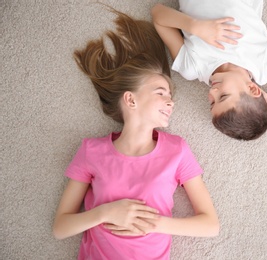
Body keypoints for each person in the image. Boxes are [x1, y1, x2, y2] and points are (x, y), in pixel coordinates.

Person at [52, 8, 219, 260]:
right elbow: (60, 228)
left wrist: (154, 223)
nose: (171, 102)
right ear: (130, 99)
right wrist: (106, 212)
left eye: (170, 96)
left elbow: (210, 225)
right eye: (161, 92)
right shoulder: (91, 151)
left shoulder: (177, 150)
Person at [151, 0, 267, 140]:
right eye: (223, 97)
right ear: (253, 89)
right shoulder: (265, 63)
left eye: (212, 103)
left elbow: (158, 14)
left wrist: (195, 26)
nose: (211, 92)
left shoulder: (193, 67)